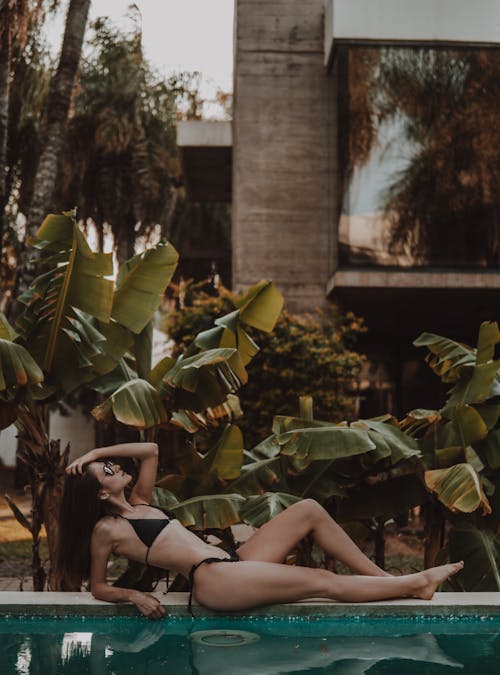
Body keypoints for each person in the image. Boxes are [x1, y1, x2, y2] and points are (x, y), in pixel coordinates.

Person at [58, 442, 463, 620]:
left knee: (308, 509)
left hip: (232, 564)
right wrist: (135, 595)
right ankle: (416, 584)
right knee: (321, 580)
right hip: (213, 580)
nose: (116, 467)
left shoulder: (141, 501)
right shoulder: (107, 529)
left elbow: (150, 450)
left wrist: (95, 453)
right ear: (97, 494)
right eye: (107, 471)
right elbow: (97, 586)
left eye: (112, 464)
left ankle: (389, 580)